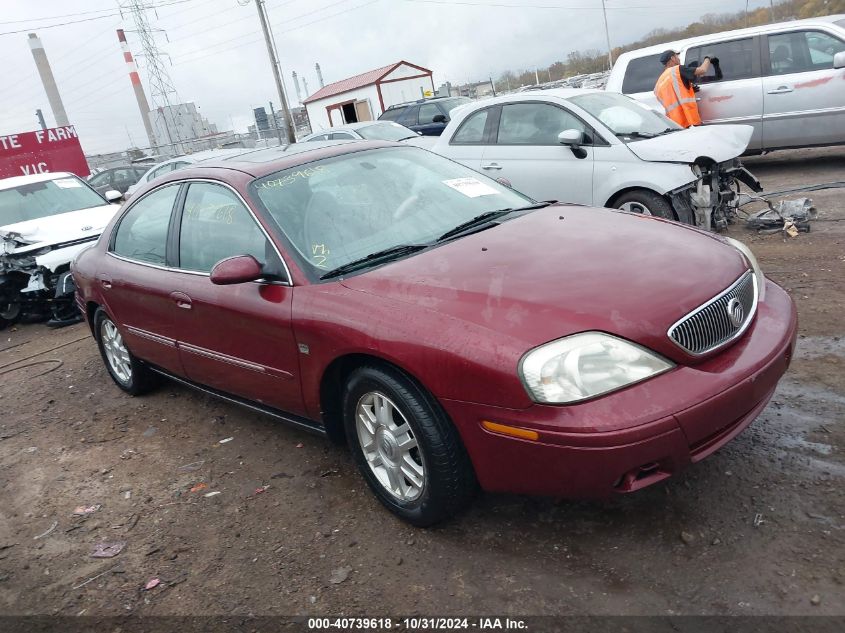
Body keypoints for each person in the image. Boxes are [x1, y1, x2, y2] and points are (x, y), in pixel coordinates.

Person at [653, 49, 720, 128]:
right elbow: (702, 70)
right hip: (689, 119)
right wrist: (708, 58)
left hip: (675, 124)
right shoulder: (677, 70)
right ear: (672, 58)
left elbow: (674, 94)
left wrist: (689, 87)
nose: (679, 59)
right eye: (677, 57)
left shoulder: (659, 83)